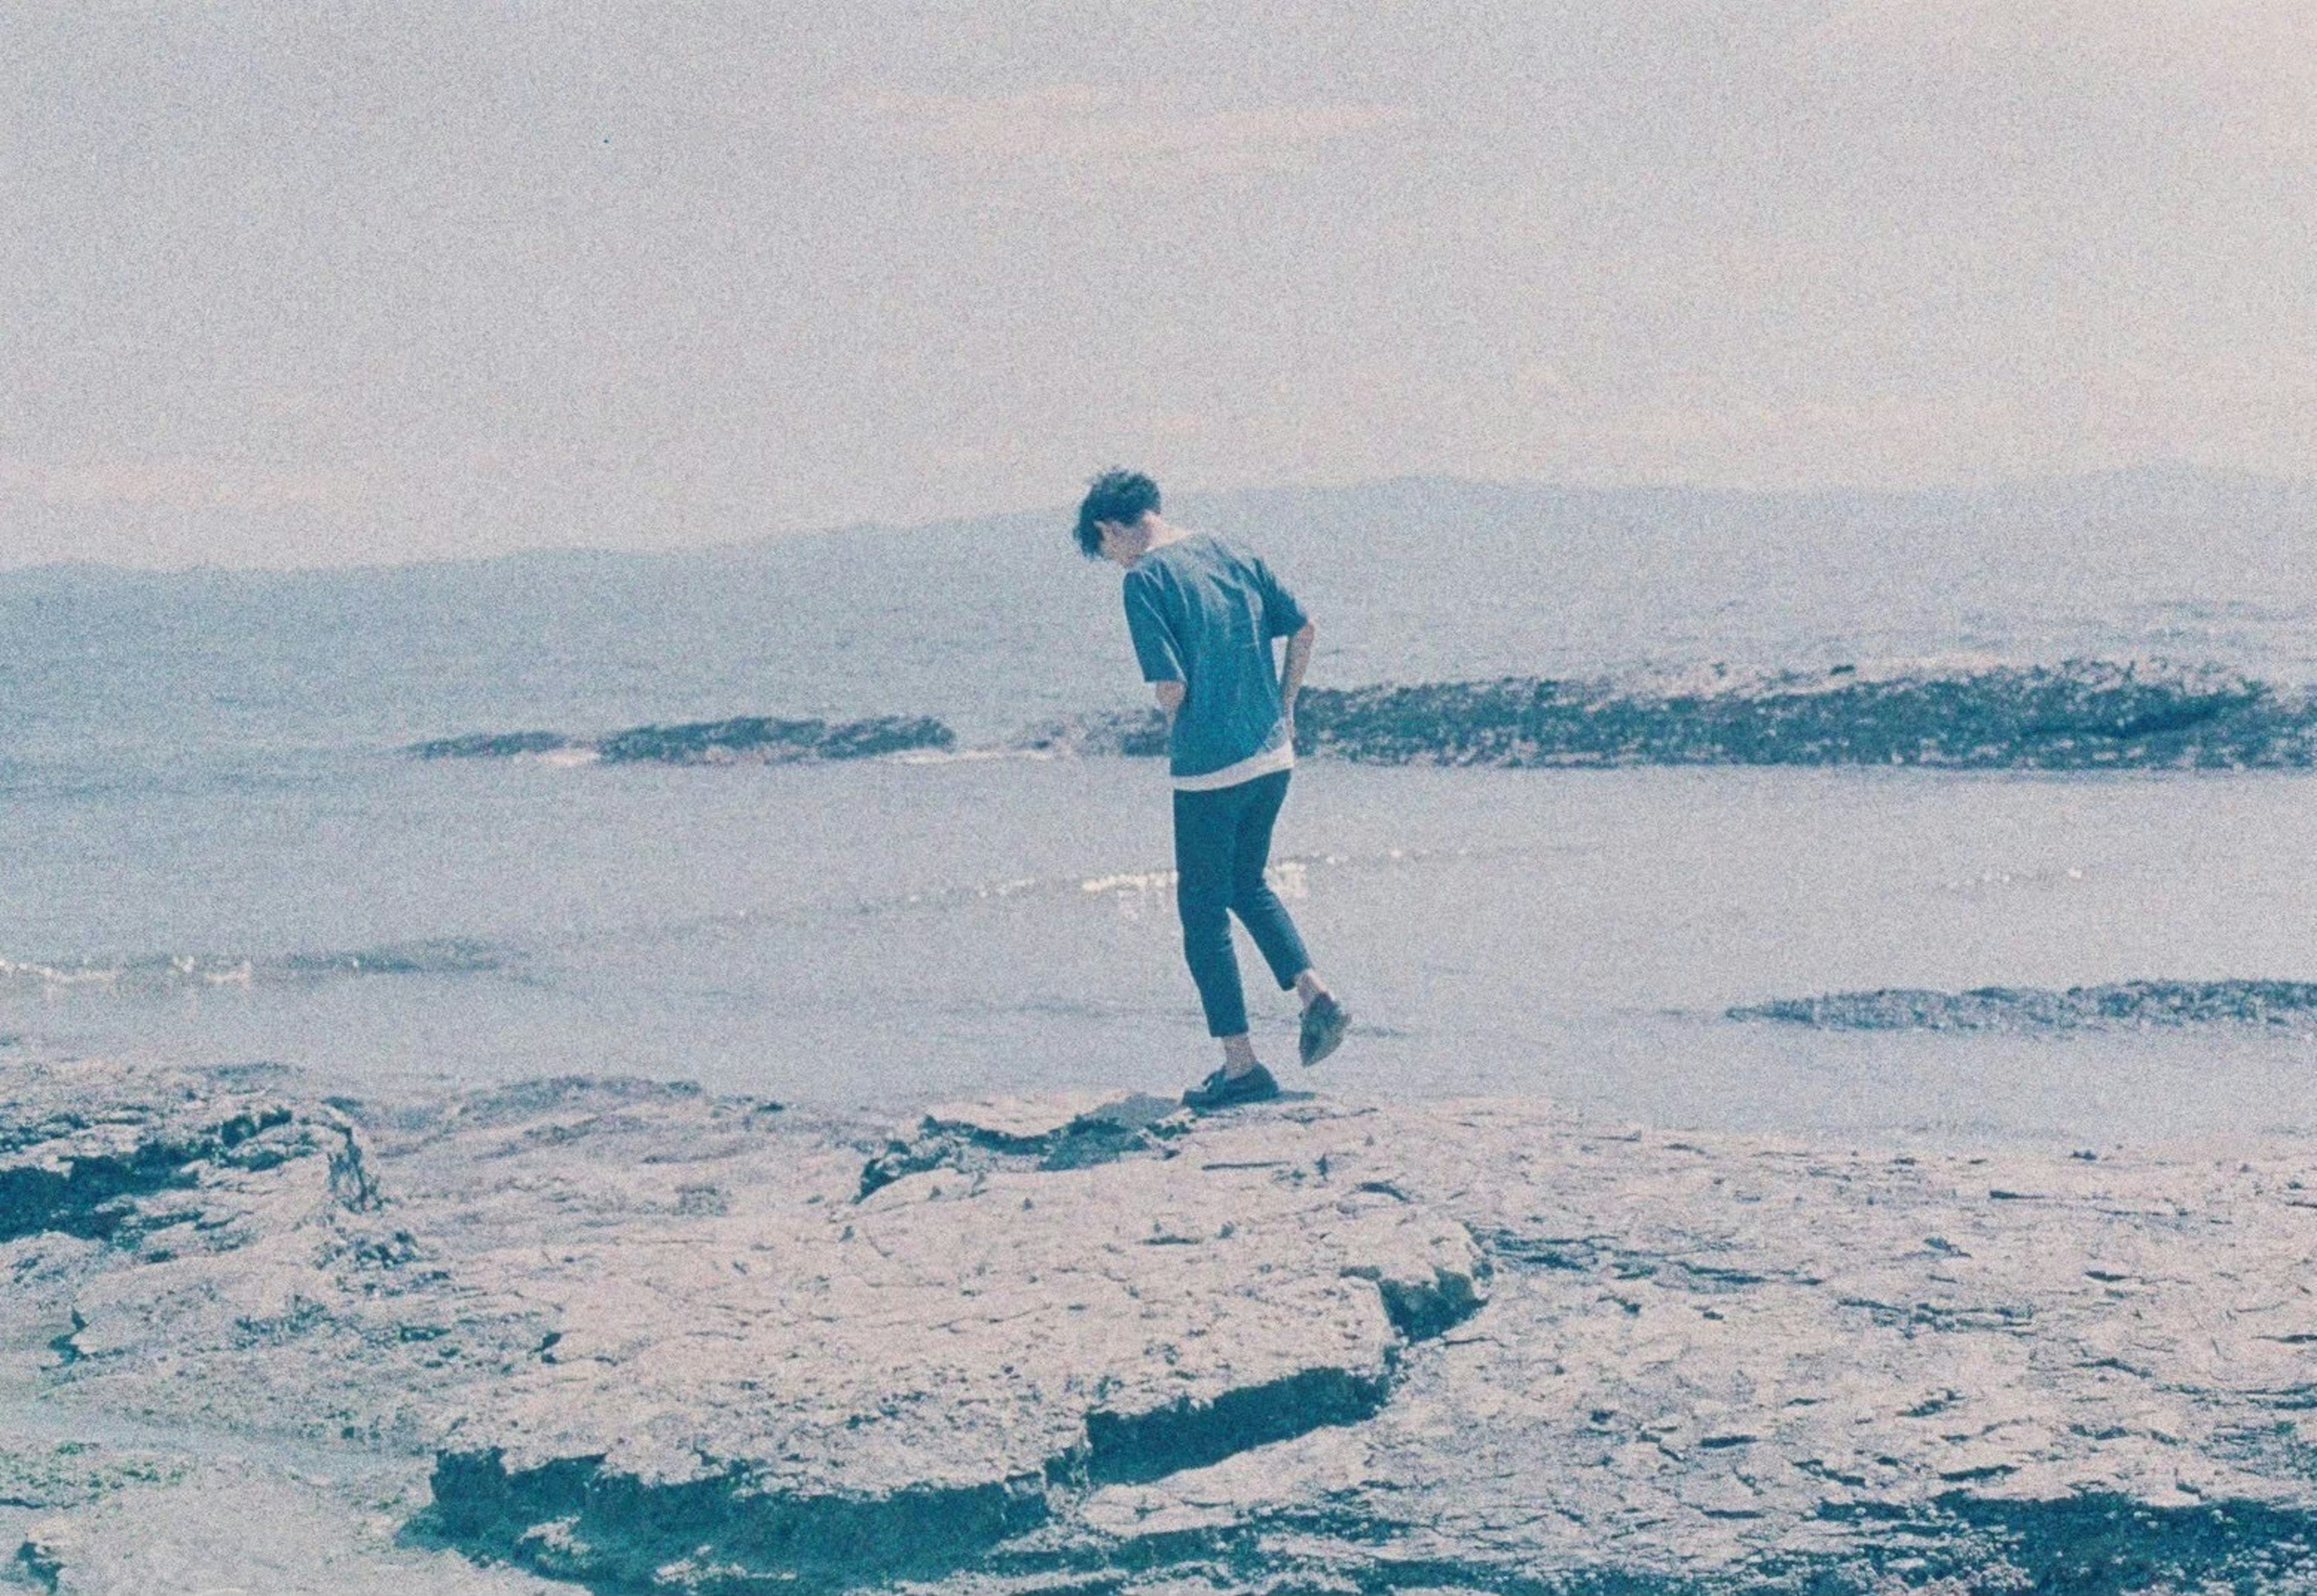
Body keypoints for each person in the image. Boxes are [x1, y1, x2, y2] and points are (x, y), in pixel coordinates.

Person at [1075, 467, 1352, 1109]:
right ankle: (1316, 994)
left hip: (1211, 768)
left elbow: (1170, 688)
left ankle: (1242, 1066)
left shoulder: (1145, 579)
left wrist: (1183, 727)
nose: (1114, 562)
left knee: (1202, 913)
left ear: (1111, 529)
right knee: (1247, 883)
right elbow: (1305, 627)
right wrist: (1287, 708)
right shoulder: (1232, 549)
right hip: (1272, 755)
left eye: (1107, 551)